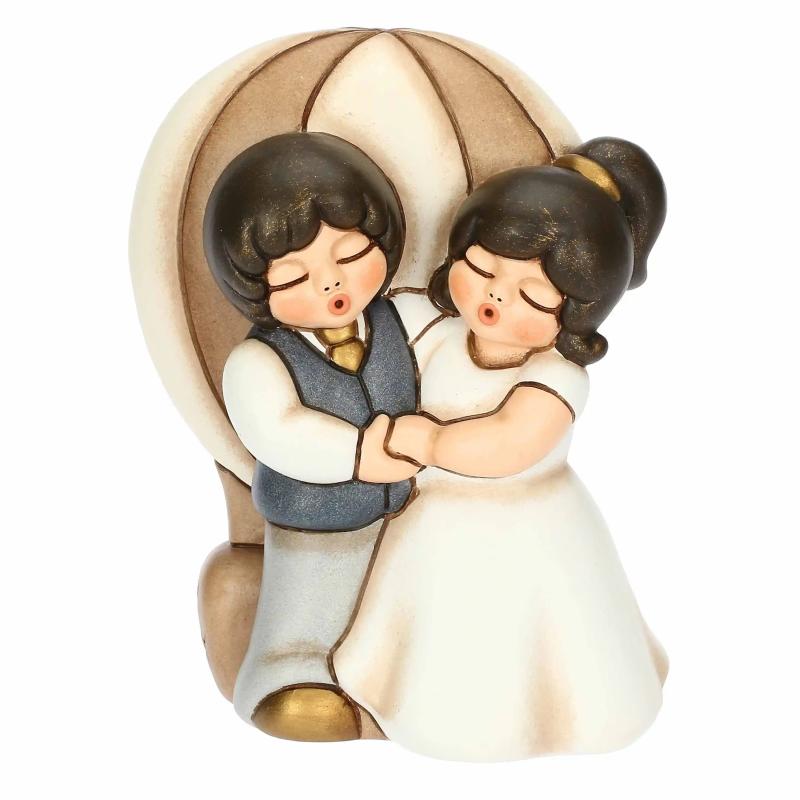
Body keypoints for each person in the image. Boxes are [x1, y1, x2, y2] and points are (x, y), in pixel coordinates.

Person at [333, 138, 669, 761]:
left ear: (576, 314)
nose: (495, 298)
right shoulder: (439, 332)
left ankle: (519, 720)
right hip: (433, 524)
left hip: (527, 526)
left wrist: (434, 440)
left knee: (516, 633)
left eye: (533, 298)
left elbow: (513, 441)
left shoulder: (556, 377)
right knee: (437, 628)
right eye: (483, 271)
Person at [204, 132, 437, 741]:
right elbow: (280, 431)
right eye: (296, 276)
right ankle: (291, 675)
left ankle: (394, 686)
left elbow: (449, 351)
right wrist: (359, 455)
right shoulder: (258, 363)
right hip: (314, 531)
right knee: (310, 611)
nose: (332, 284)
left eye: (350, 255)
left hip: (404, 523)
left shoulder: (402, 318)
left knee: (398, 611)